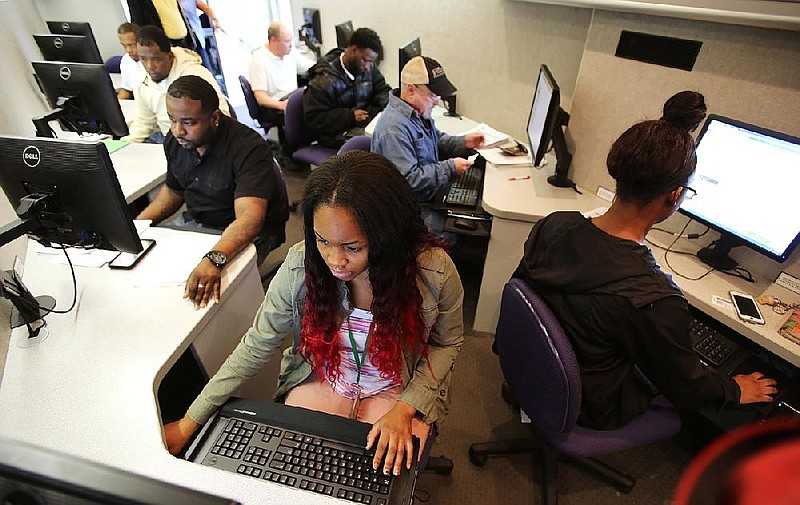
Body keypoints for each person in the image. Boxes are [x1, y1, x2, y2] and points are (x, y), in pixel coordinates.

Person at [163, 151, 465, 476]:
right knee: (301, 470)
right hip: (326, 378)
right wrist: (190, 421)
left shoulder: (433, 270)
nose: (335, 260)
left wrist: (407, 408)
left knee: (381, 475)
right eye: (322, 240)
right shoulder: (299, 265)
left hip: (398, 385)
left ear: (387, 236)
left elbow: (447, 344)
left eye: (352, 247)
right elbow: (255, 346)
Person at [512, 91, 777, 430]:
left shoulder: (554, 224)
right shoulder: (653, 298)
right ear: (675, 195)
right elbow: (687, 384)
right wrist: (733, 389)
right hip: (589, 404)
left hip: (533, 366)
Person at [136, 76, 289, 308]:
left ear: (215, 117)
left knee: (206, 298)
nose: (178, 130)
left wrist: (214, 258)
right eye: (172, 120)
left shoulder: (247, 148)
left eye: (188, 122)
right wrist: (138, 224)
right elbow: (173, 192)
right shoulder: (176, 141)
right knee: (147, 270)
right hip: (199, 223)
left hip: (248, 231)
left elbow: (249, 220)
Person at [371, 55, 485, 241]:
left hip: (425, 195)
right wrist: (449, 167)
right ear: (410, 89)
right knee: (451, 235)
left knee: (474, 211)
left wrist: (463, 142)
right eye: (433, 95)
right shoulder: (394, 129)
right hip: (406, 206)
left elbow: (435, 139)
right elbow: (408, 181)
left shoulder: (416, 112)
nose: (437, 102)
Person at [122, 25, 229, 144]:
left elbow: (222, 115)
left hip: (198, 141)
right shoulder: (142, 83)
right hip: (169, 140)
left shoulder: (195, 75)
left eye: (156, 59)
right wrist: (124, 144)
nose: (149, 66)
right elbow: (144, 122)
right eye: (143, 59)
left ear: (170, 56)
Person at [303, 27, 391, 149]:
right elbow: (314, 119)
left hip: (360, 122)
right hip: (335, 133)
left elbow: (381, 89)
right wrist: (349, 116)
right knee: (381, 145)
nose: (368, 66)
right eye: (365, 60)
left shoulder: (367, 67)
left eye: (372, 62)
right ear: (354, 50)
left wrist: (390, 106)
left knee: (391, 135)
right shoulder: (323, 79)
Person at [248, 22, 314, 134]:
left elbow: (309, 67)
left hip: (291, 97)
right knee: (308, 115)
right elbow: (261, 97)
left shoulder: (290, 53)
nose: (291, 45)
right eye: (287, 41)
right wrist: (282, 105)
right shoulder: (259, 60)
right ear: (274, 40)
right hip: (274, 105)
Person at [115, 23, 146, 100]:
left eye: (132, 45)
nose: (128, 50)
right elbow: (127, 90)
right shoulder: (126, 60)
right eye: (124, 45)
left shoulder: (152, 61)